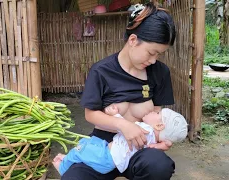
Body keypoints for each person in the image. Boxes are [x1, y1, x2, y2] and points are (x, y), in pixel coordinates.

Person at [60, 2, 178, 180]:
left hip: (140, 149)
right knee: (74, 177)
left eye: (159, 55)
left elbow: (157, 114)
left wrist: (161, 138)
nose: (154, 60)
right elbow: (90, 114)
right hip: (103, 148)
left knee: (159, 166)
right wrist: (124, 125)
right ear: (133, 40)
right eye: (151, 53)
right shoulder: (102, 71)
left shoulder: (160, 73)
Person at [52, 105, 188, 176]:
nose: (153, 111)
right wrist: (165, 143)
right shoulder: (152, 139)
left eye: (157, 114)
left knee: (79, 151)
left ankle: (63, 167)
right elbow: (158, 145)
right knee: (86, 144)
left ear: (159, 125)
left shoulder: (145, 130)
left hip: (105, 158)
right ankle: (69, 160)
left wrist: (114, 115)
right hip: (108, 152)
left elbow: (124, 127)